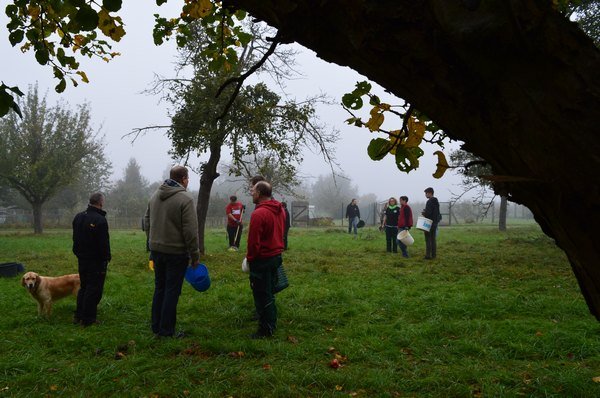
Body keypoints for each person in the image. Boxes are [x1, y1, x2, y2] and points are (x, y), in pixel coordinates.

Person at [144, 166, 200, 338]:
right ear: (183, 179)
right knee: (171, 290)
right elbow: (190, 230)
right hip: (176, 252)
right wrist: (195, 254)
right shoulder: (185, 198)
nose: (188, 181)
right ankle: (166, 331)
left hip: (156, 250)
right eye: (188, 178)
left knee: (159, 287)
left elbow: (146, 221)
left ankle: (156, 327)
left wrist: (151, 240)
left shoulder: (154, 196)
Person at [246, 181, 286, 339]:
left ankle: (266, 329)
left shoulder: (258, 214)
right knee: (269, 292)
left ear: (260, 193)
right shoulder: (279, 210)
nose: (251, 192)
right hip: (276, 256)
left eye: (253, 190)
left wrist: (250, 259)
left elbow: (253, 242)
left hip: (262, 258)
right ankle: (271, 322)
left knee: (262, 294)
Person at [72, 192, 111, 327]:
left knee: (84, 286)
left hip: (82, 258)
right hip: (96, 261)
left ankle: (79, 315)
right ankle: (88, 319)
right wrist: (106, 257)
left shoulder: (78, 217)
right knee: (93, 289)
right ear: (100, 202)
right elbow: (103, 243)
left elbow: (75, 238)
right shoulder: (100, 220)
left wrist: (77, 253)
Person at [422, 187, 441, 260]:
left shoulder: (429, 201)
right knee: (433, 239)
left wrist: (424, 213)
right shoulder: (436, 201)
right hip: (435, 223)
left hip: (428, 223)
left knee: (428, 239)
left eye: (426, 193)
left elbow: (428, 213)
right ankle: (434, 255)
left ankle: (428, 255)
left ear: (430, 193)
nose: (425, 195)